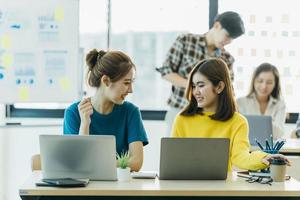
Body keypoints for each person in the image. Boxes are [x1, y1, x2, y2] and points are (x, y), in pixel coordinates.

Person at [172, 58, 290, 171]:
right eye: (193, 86)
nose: (195, 91)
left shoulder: (238, 122)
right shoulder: (182, 119)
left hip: (222, 188)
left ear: (219, 87)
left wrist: (263, 157)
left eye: (201, 85)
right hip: (187, 185)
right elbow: (173, 159)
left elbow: (240, 157)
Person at [156, 11, 245, 135]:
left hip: (211, 118)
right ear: (217, 25)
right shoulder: (186, 41)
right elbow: (166, 71)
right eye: (228, 35)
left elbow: (229, 89)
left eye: (232, 39)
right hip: (180, 110)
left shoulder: (227, 59)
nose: (229, 41)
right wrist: (195, 85)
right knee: (173, 152)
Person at [63, 49, 148, 172]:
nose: (130, 90)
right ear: (106, 81)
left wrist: (94, 164)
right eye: (126, 83)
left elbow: (136, 162)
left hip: (119, 187)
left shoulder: (131, 112)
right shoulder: (74, 113)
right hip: (84, 188)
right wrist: (85, 124)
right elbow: (78, 163)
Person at [237, 63, 286, 139]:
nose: (264, 86)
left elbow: (279, 134)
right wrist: (267, 125)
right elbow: (239, 131)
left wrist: (255, 124)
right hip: (247, 148)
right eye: (260, 81)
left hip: (270, 149)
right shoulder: (240, 103)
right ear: (254, 81)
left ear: (275, 84)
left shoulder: (280, 105)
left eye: (269, 82)